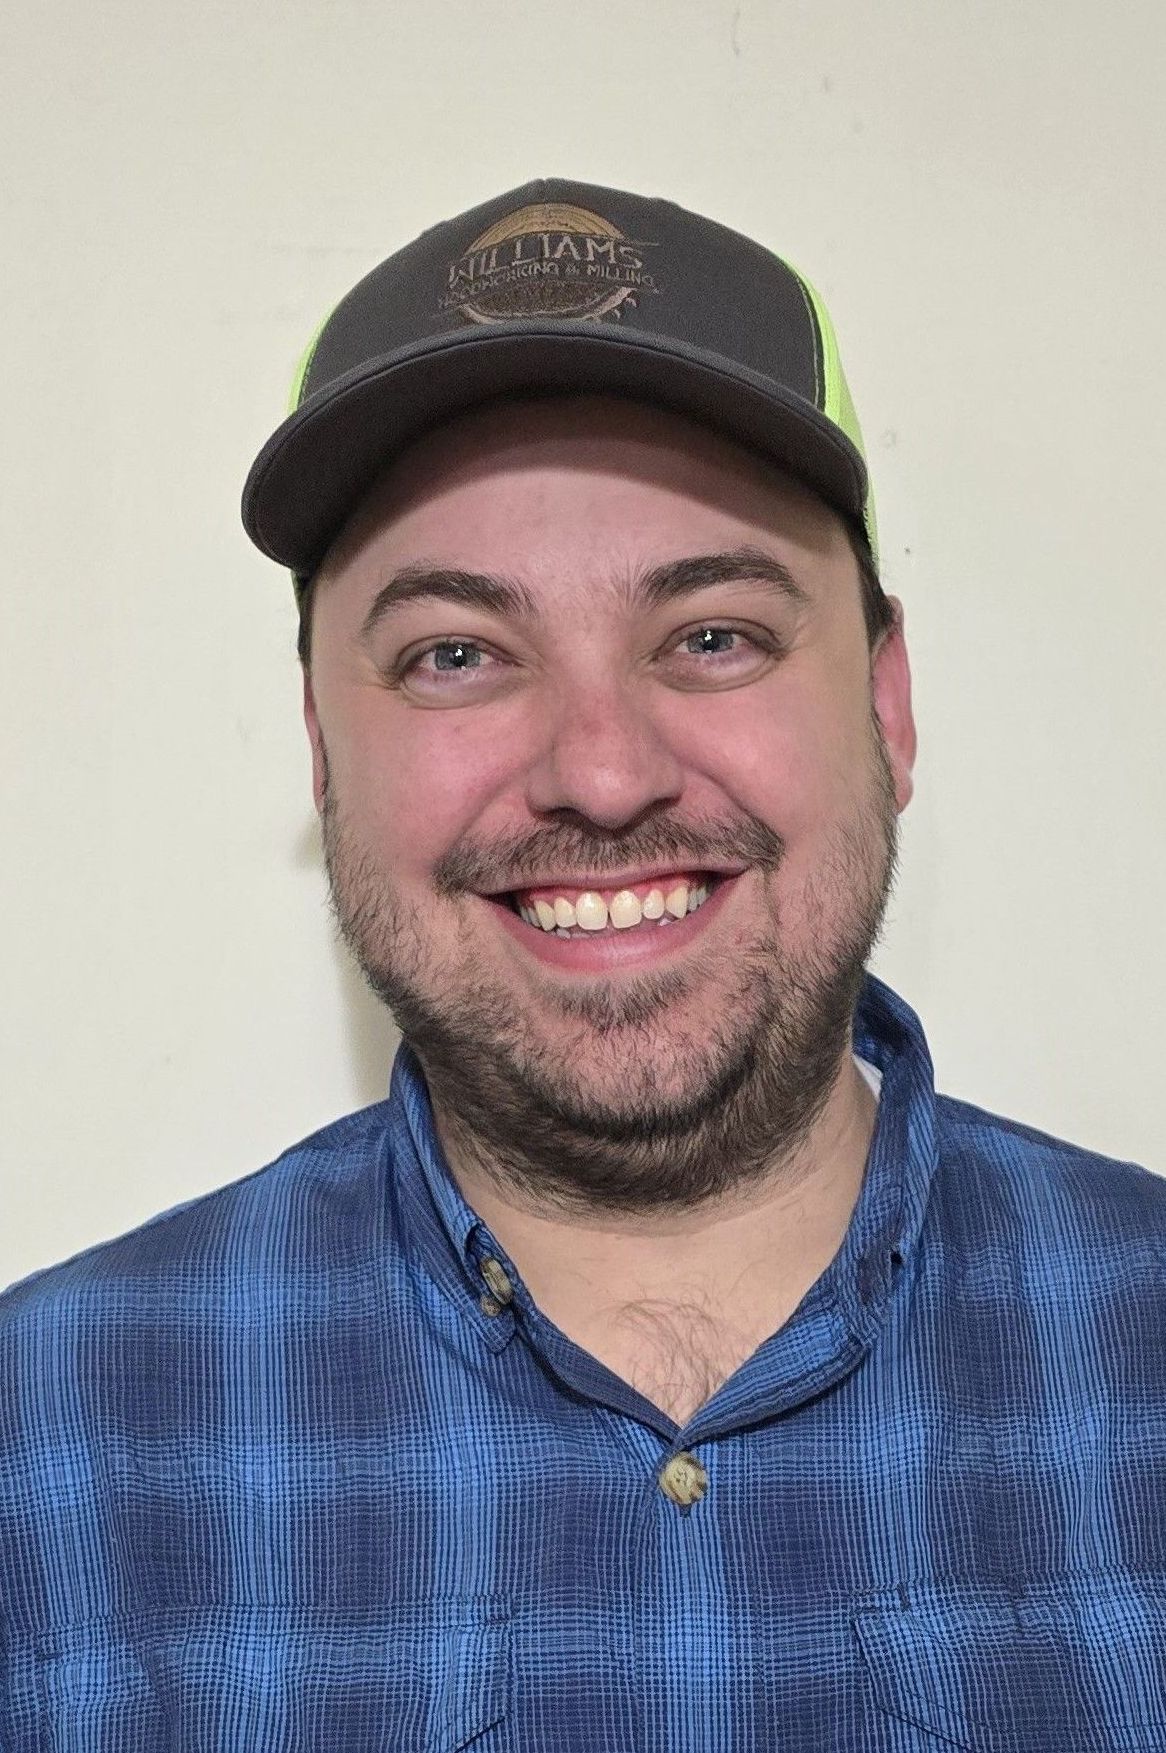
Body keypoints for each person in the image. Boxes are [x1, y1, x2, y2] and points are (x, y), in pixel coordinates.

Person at [2, 179, 1163, 1750]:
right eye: (456, 654)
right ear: (323, 756)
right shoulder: (44, 1444)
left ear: (886, 706)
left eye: (713, 633)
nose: (602, 774)